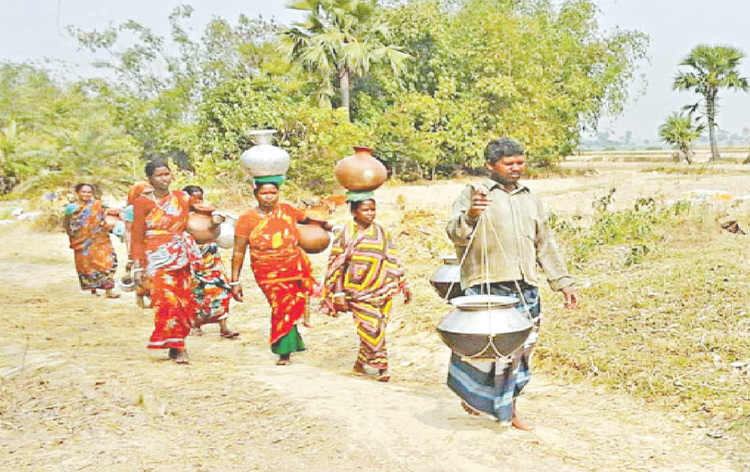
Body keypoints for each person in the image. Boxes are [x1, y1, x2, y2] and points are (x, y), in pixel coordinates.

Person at [445, 138, 579, 430]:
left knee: (521, 349)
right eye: (509, 164)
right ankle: (475, 396)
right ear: (490, 166)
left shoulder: (530, 197)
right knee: (482, 350)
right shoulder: (474, 193)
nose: (516, 168)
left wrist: (563, 282)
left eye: (520, 162)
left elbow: (545, 244)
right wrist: (472, 214)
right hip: (486, 284)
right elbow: (455, 233)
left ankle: (510, 406)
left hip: (525, 285)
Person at [230, 177, 331, 365]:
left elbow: (310, 220)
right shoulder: (247, 219)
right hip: (266, 270)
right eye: (264, 193)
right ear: (255, 194)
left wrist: (332, 227)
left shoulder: (286, 210)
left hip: (293, 266)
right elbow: (238, 250)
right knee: (280, 305)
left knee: (291, 305)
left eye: (273, 193)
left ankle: (288, 347)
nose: (269, 197)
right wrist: (235, 281)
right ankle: (284, 348)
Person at [321, 196, 411, 382]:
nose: (370, 213)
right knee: (372, 327)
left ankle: (360, 364)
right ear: (354, 212)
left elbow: (392, 259)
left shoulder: (382, 232)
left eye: (373, 209)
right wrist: (338, 294)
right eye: (365, 210)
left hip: (382, 288)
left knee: (378, 326)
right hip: (355, 291)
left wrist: (403, 283)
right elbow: (337, 265)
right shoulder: (346, 234)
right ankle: (381, 366)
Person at [130, 159, 201, 364]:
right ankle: (178, 347)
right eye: (159, 175)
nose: (164, 178)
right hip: (156, 256)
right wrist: (137, 265)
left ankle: (176, 341)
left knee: (183, 301)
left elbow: (202, 209)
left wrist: (215, 219)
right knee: (165, 301)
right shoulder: (142, 203)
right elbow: (137, 235)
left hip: (181, 254)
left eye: (167, 174)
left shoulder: (182, 198)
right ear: (150, 179)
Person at [182, 185, 239, 339]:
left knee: (220, 289)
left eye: (201, 197)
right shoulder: (181, 216)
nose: (199, 201)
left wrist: (215, 224)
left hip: (211, 258)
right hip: (190, 258)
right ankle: (195, 325)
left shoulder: (212, 216)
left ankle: (224, 327)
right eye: (195, 197)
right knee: (194, 291)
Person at [63, 183, 120, 299]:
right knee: (87, 265)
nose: (86, 194)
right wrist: (73, 236)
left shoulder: (98, 205)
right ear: (78, 193)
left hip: (100, 240)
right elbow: (67, 223)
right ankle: (93, 291)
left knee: (107, 262)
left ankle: (109, 290)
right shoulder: (71, 208)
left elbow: (112, 211)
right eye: (83, 192)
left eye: (89, 192)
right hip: (82, 243)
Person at [123, 182, 154, 308]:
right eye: (146, 193)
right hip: (140, 243)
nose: (150, 196)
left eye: (151, 192)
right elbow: (129, 230)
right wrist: (130, 252)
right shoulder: (131, 210)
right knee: (141, 271)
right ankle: (140, 297)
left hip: (154, 241)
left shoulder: (156, 205)